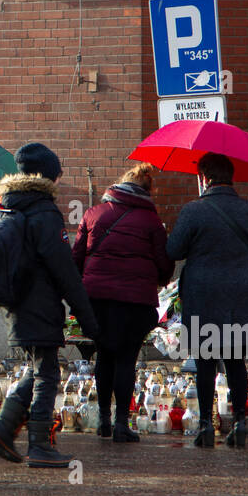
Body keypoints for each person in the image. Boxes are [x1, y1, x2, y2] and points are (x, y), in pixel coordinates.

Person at [0, 143, 101, 468]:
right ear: (46, 176)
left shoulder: (7, 206)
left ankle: (4, 428)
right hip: (40, 305)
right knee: (46, 372)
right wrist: (89, 320)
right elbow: (65, 272)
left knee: (38, 368)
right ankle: (38, 445)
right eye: (57, 176)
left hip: (16, 305)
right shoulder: (44, 212)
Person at [168, 153, 248, 447]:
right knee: (235, 361)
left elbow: (174, 249)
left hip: (204, 296)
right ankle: (239, 422)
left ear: (204, 178)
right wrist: (239, 261)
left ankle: (205, 425)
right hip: (239, 295)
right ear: (231, 178)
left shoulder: (193, 210)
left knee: (205, 361)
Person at [74, 162, 174, 443]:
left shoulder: (94, 214)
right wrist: (161, 277)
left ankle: (103, 421)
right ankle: (121, 424)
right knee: (126, 359)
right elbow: (165, 265)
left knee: (104, 355)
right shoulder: (152, 222)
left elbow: (76, 259)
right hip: (135, 301)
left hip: (97, 299)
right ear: (147, 190)